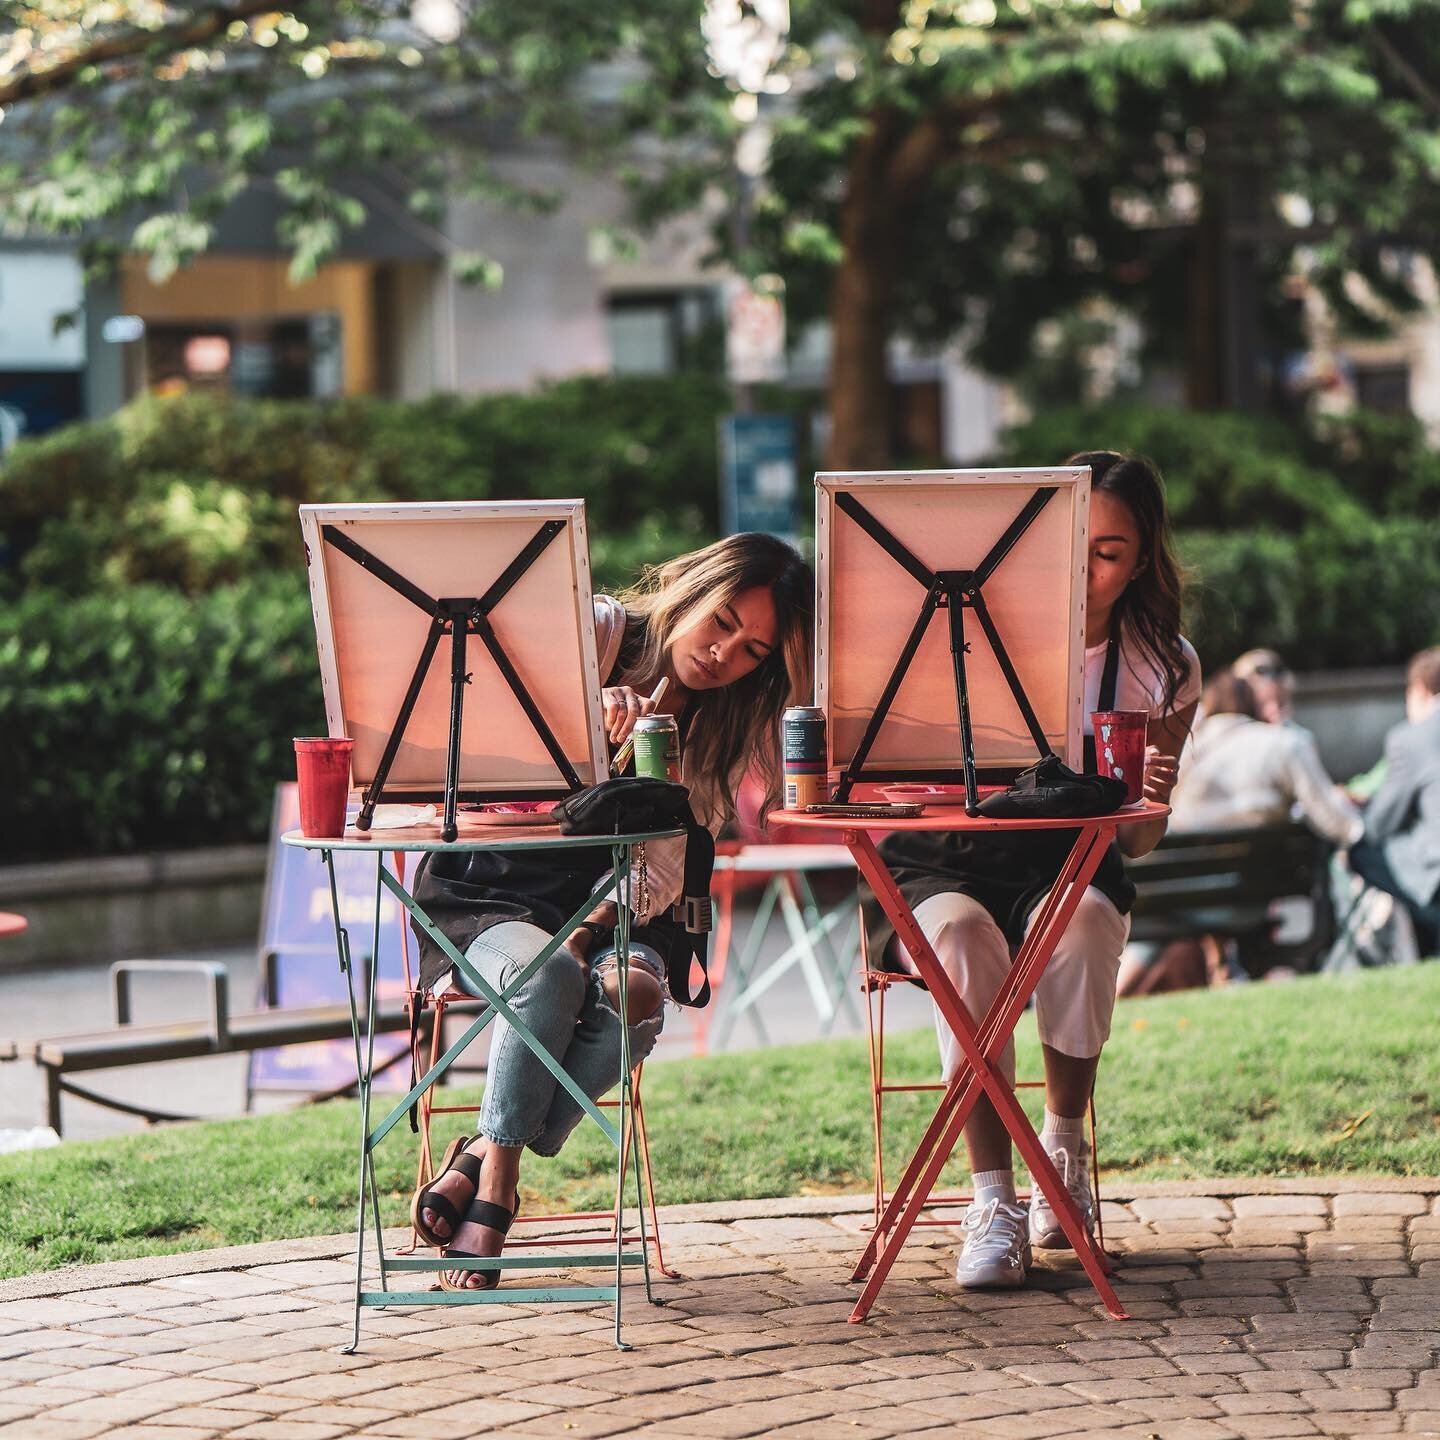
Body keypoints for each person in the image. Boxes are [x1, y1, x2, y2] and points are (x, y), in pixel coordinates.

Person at [409, 533, 814, 1289]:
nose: (725, 654)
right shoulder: (591, 632)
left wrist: (591, 929)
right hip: (491, 889)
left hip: (622, 912)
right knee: (547, 978)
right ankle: (497, 1185)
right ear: (691, 585)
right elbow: (474, 729)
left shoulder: (715, 733)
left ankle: (480, 1152)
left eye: (754, 650)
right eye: (722, 621)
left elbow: (660, 876)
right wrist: (578, 718)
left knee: (632, 994)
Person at [862, 451, 1200, 1290]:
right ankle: (993, 1200)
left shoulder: (1163, 663)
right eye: (1071, 543)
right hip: (944, 862)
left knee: (1082, 920)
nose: (1083, 570)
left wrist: (1148, 804)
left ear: (1143, 561)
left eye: (1109, 552)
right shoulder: (958, 638)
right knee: (966, 945)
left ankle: (1063, 1154)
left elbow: (1137, 849)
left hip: (1072, 866)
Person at [1168, 668, 1361, 847]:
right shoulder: (1284, 743)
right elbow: (1339, 824)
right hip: (1264, 877)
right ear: (1254, 702)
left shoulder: (1183, 750)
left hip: (1185, 874)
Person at [1346, 647, 1440, 957]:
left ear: (1421, 690)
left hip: (1435, 875)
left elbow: (1380, 823)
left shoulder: (1412, 738)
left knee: (1362, 849)